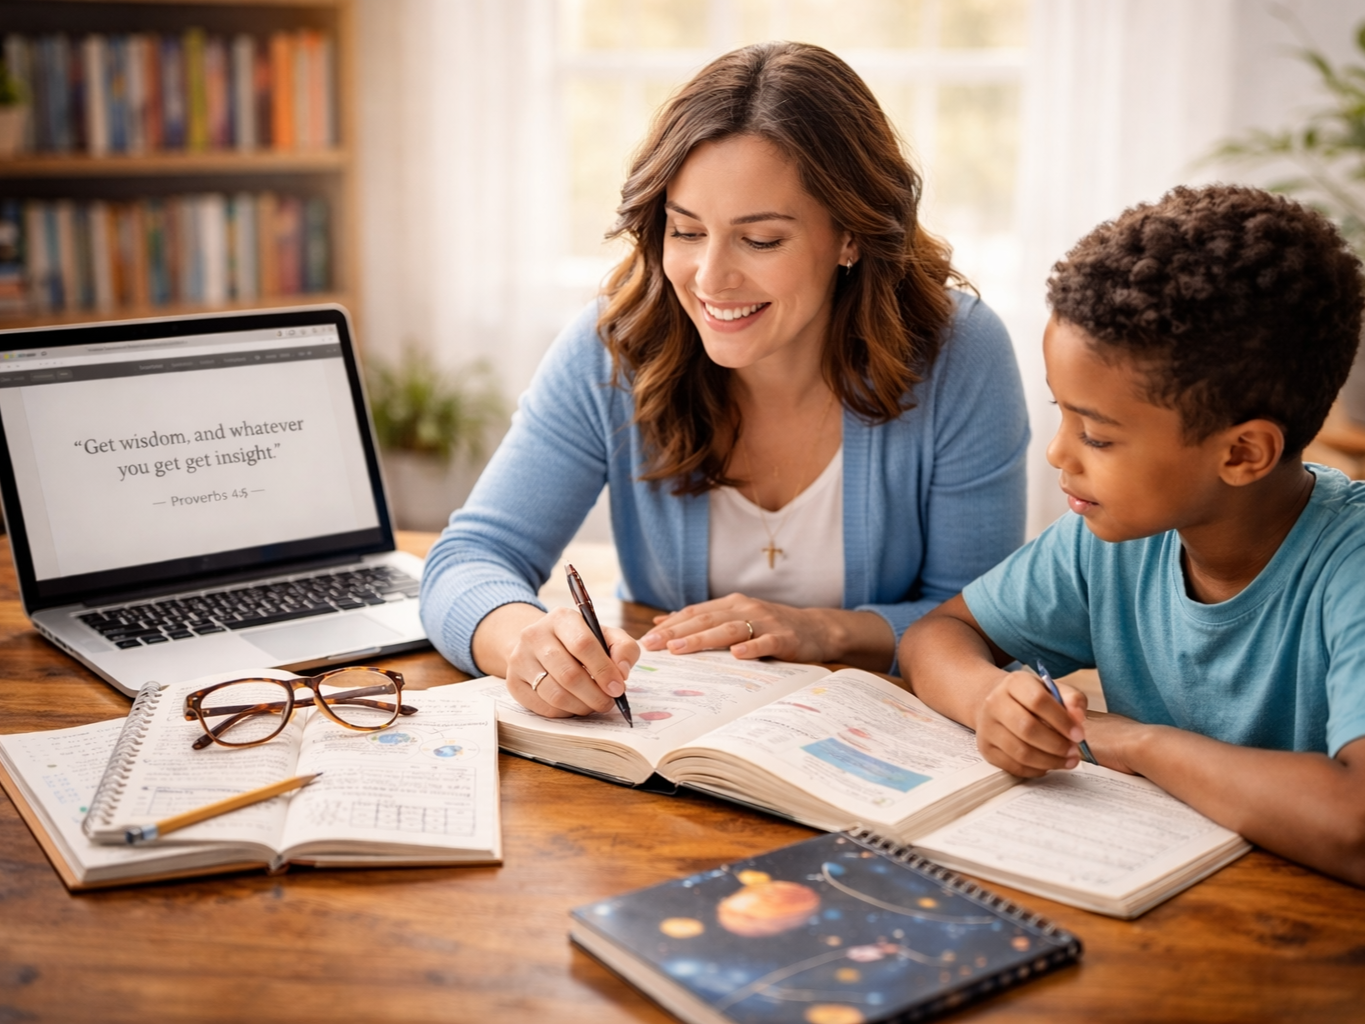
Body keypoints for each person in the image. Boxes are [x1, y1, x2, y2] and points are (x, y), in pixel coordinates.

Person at [421, 41, 1029, 720]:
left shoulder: (959, 353)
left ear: (850, 237)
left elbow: (981, 625)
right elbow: (469, 559)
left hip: (877, 742)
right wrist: (521, 643)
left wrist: (821, 630)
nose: (710, 279)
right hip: (680, 748)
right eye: (684, 231)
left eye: (760, 240)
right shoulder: (615, 346)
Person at [899, 184, 1365, 886]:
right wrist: (990, 701)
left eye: (1096, 436)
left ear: (1241, 454)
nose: (1059, 454)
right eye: (1063, 415)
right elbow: (939, 636)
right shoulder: (1111, 536)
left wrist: (1139, 743)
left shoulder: (1349, 565)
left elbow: (1354, 825)